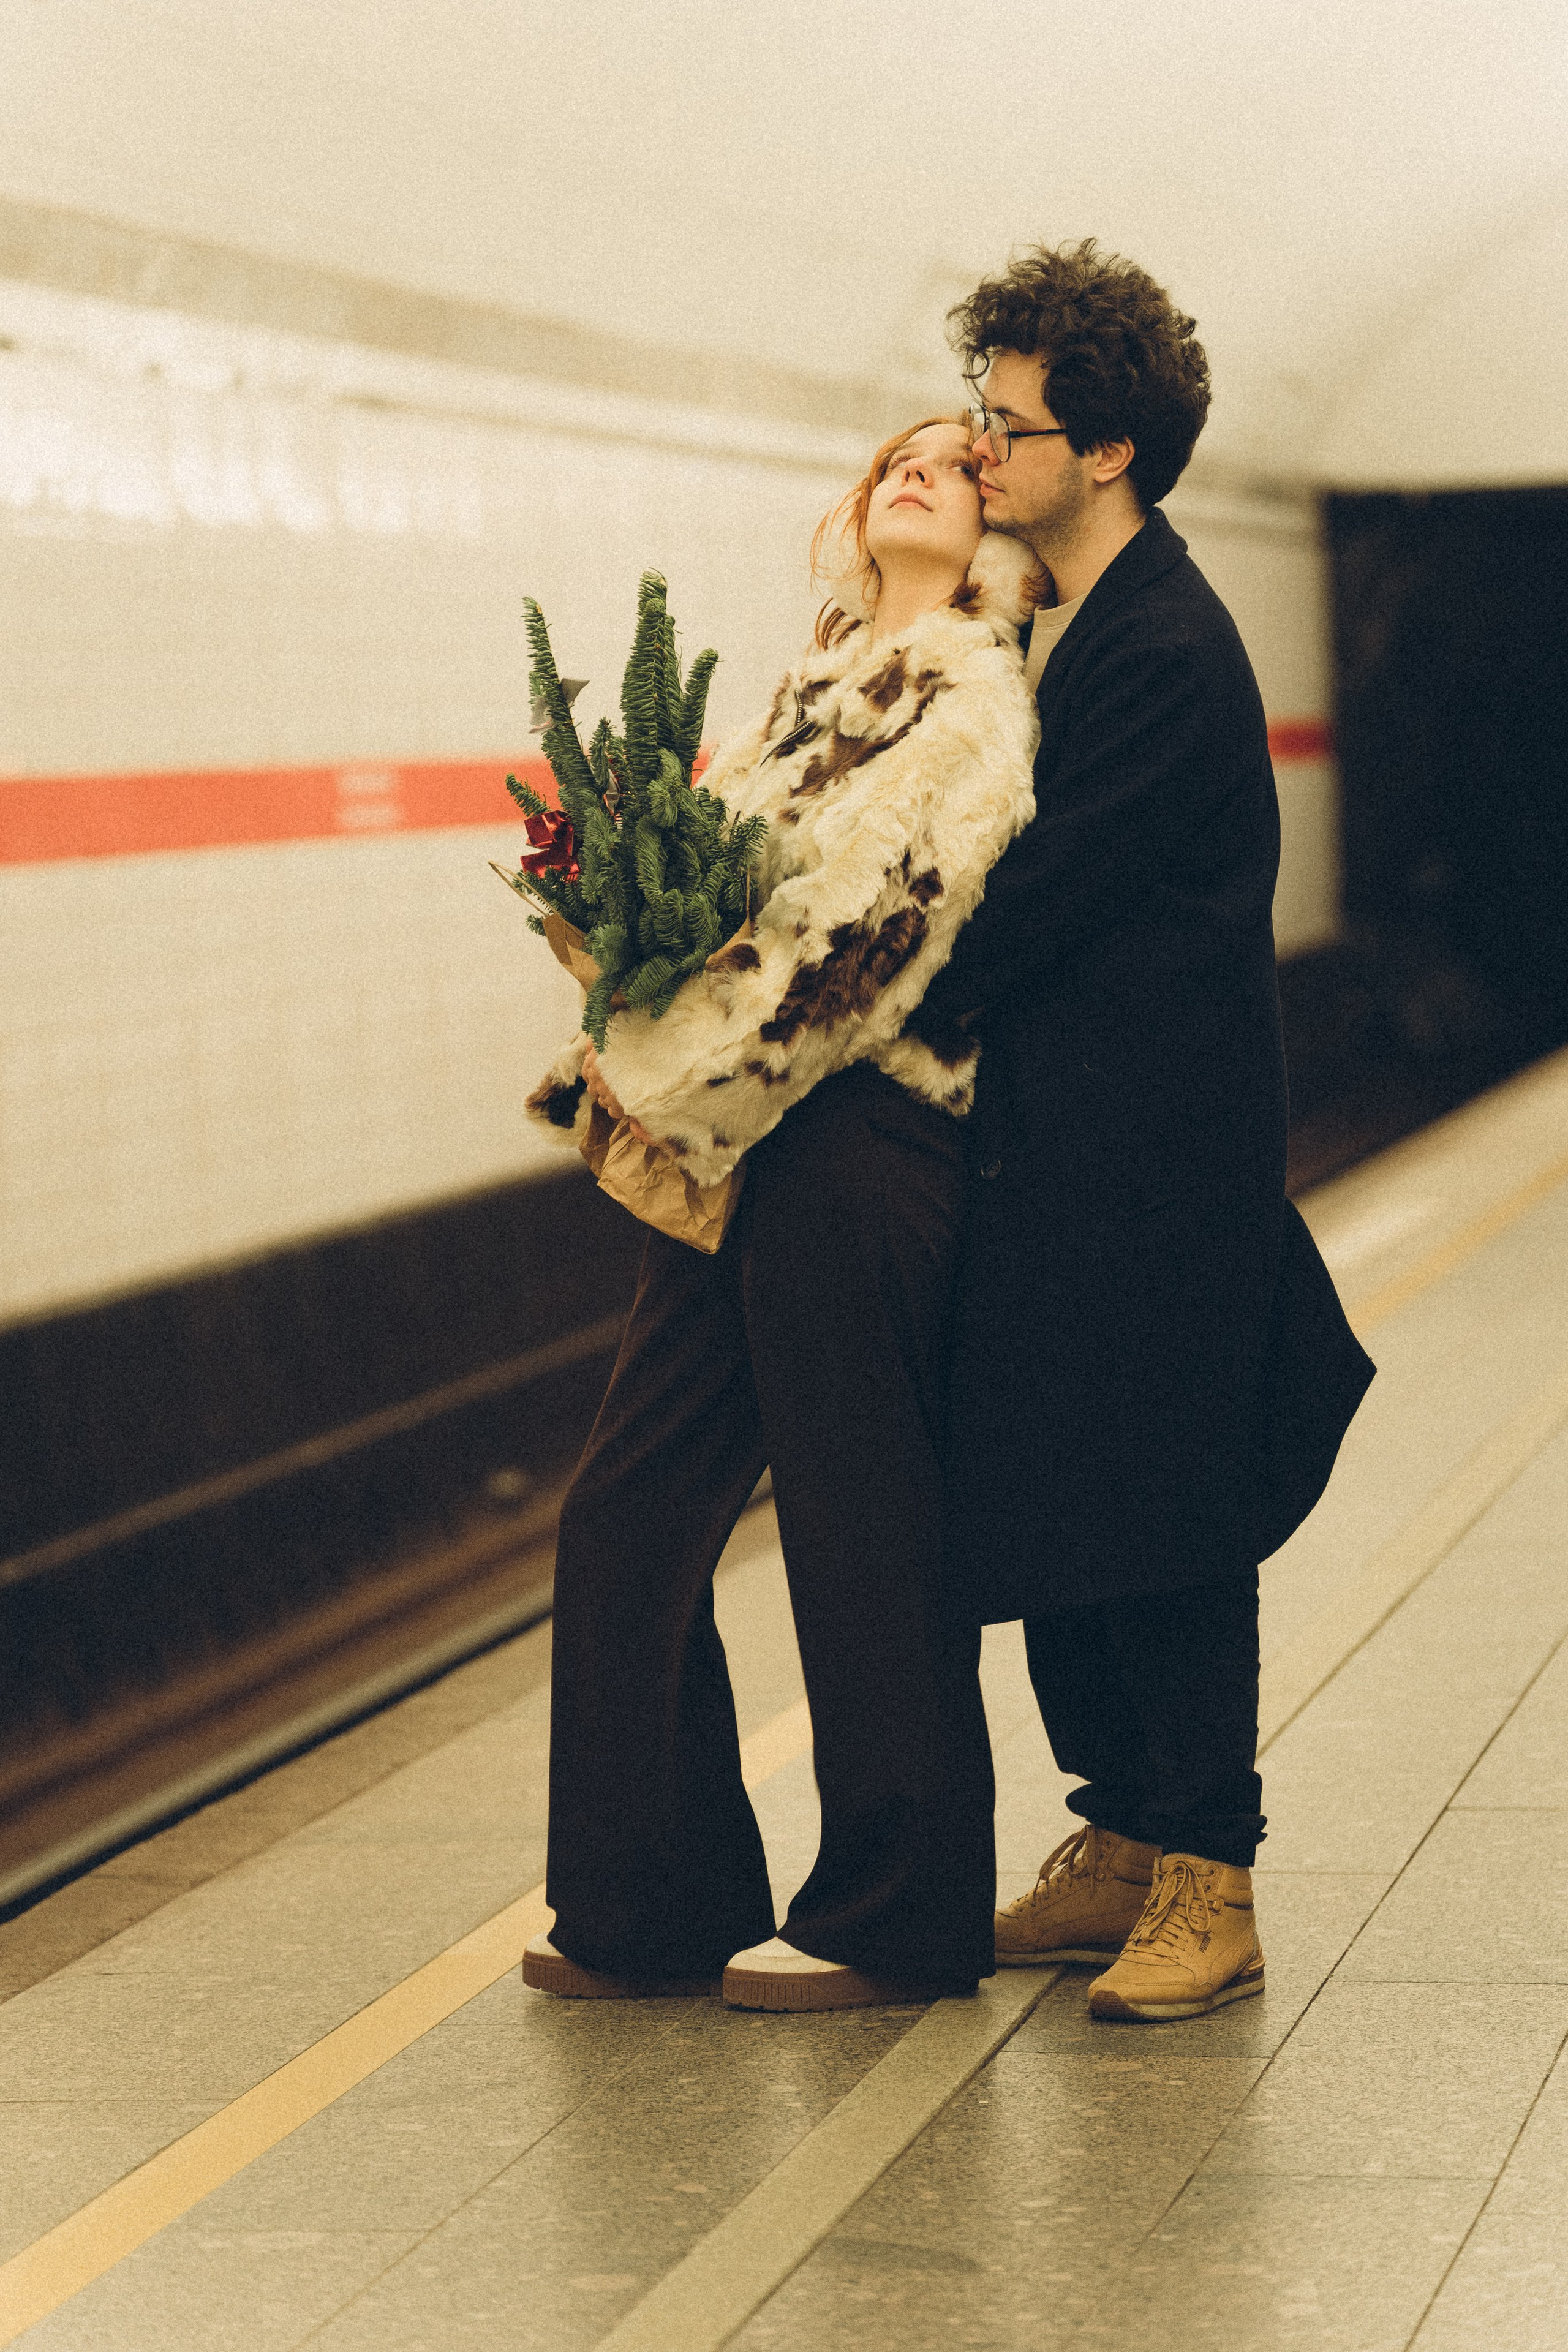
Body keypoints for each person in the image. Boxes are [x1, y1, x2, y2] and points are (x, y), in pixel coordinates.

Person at [519, 417, 1040, 2011]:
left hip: (858, 1140)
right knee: (621, 1517)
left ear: (997, 526)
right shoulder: (808, 696)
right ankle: (652, 1904)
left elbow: (861, 938)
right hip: (743, 1145)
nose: (921, 472)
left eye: (960, 464)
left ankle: (902, 1921)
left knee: (860, 1531)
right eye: (902, 455)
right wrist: (615, 999)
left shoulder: (973, 699)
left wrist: (665, 1080)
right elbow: (708, 911)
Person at [923, 241, 1375, 2022]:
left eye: (1006, 422)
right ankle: (1117, 1842)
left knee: (1170, 1514)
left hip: (1156, 1174)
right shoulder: (1079, 624)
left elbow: (1033, 902)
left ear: (1103, 448)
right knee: (1059, 1495)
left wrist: (857, 963)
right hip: (1063, 1159)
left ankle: (1210, 1874)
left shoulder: (1167, 646)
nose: (980, 449)